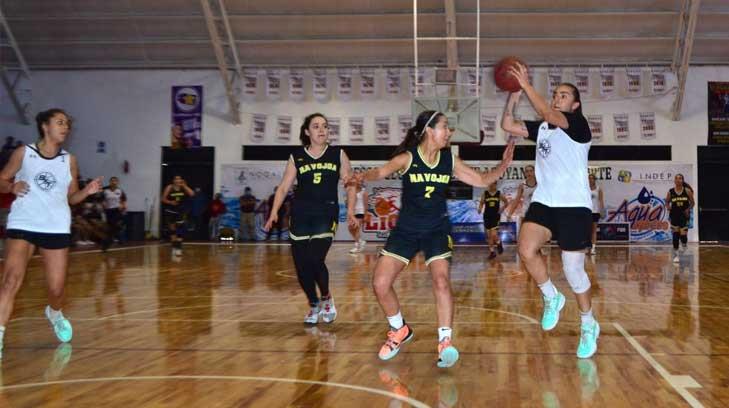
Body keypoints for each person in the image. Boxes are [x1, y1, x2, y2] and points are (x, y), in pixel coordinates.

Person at [353, 110, 514, 368]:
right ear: (429, 130)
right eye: (445, 127)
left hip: (436, 230)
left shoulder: (449, 159)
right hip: (406, 230)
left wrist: (503, 165)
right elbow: (381, 171)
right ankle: (399, 329)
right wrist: (362, 176)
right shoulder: (408, 158)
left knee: (441, 281)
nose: (449, 132)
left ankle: (445, 343)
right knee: (380, 284)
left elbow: (482, 179)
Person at [501, 63, 600, 359]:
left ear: (575, 104)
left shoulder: (578, 126)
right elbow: (508, 124)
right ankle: (551, 296)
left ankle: (588, 324)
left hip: (574, 205)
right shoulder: (543, 127)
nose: (558, 97)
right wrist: (514, 93)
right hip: (545, 200)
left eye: (564, 95)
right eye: (556, 94)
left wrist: (527, 84)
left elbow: (548, 113)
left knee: (573, 270)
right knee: (526, 249)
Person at [0, 108, 103, 358]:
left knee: (56, 289)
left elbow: (72, 197)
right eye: (59, 122)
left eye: (67, 123)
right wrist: (12, 186)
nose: (65, 127)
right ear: (45, 126)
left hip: (55, 225)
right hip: (24, 222)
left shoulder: (69, 160)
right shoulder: (24, 153)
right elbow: (2, 179)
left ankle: (54, 313)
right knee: (11, 280)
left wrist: (87, 192)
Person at [265, 113, 355, 324]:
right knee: (301, 265)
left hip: (326, 212)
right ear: (307, 131)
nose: (321, 130)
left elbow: (350, 183)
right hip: (300, 214)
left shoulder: (337, 154)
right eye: (316, 126)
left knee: (315, 258)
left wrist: (350, 211)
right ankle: (313, 304)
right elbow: (284, 187)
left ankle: (326, 297)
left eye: (325, 126)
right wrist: (274, 212)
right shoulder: (297, 156)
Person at [161, 175, 194, 256]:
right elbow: (163, 199)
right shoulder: (169, 187)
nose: (177, 180)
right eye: (176, 179)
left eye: (179, 179)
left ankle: (178, 248)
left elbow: (192, 194)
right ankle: (174, 247)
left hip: (180, 211)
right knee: (172, 230)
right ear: (173, 180)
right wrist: (170, 202)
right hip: (170, 211)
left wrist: (185, 185)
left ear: (181, 180)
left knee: (180, 228)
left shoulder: (183, 187)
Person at [666, 173, 694, 264]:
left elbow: (692, 203)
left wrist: (688, 209)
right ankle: (676, 255)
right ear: (674, 181)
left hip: (684, 216)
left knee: (683, 236)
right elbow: (667, 202)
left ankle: (685, 245)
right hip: (674, 215)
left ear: (682, 180)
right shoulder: (671, 192)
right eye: (676, 178)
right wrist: (668, 207)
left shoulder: (687, 191)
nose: (678, 180)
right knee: (675, 236)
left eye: (680, 178)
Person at [479, 181, 509, 259]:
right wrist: (480, 208)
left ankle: (499, 243)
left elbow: (506, 202)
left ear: (496, 184)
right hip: (487, 216)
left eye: (493, 183)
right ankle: (492, 252)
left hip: (495, 216)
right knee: (489, 236)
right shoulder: (485, 193)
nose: (492, 185)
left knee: (494, 234)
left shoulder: (499, 193)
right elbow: (481, 202)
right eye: (490, 184)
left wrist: (502, 209)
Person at [102, 176, 127, 243]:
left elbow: (124, 200)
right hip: (108, 210)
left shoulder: (120, 191)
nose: (113, 182)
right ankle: (113, 238)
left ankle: (114, 239)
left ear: (117, 182)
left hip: (117, 210)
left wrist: (124, 209)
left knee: (116, 224)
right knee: (111, 226)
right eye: (112, 181)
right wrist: (103, 206)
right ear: (110, 182)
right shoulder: (105, 190)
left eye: (115, 181)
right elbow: (102, 200)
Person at [348, 181, 368, 253]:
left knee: (356, 229)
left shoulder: (364, 192)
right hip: (353, 212)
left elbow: (366, 205)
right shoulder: (351, 191)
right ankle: (361, 241)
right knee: (350, 228)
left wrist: (365, 214)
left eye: (359, 182)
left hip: (360, 212)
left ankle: (356, 246)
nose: (358, 183)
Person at [588, 174, 604, 255]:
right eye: (589, 178)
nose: (590, 180)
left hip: (595, 212)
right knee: (587, 230)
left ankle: (593, 248)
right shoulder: (585, 189)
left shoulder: (598, 189)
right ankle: (587, 247)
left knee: (594, 230)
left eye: (592, 178)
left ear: (594, 180)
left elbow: (601, 201)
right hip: (586, 212)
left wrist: (601, 211)